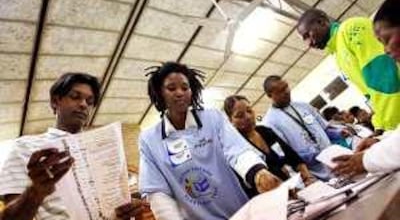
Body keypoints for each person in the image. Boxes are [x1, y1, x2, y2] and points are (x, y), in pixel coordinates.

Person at [138, 62, 281, 220]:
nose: (180, 93)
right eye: (171, 88)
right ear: (160, 92)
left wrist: (258, 173)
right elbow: (158, 192)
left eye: (185, 88)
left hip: (242, 212)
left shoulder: (212, 118)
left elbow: (236, 151)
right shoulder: (149, 140)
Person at [0, 73, 142, 220]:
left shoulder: (103, 151)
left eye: (90, 101)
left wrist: (126, 212)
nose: (83, 104)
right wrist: (36, 191)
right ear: (55, 102)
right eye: (75, 97)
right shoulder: (25, 146)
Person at [297, 8, 400, 131]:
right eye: (305, 39)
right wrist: (380, 124)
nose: (309, 43)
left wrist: (386, 127)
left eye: (308, 35)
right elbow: (370, 93)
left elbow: (385, 80)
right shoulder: (338, 53)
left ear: (321, 22)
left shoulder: (350, 29)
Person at [333, 0, 400, 177]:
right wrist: (380, 140)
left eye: (387, 39)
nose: (385, 50)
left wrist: (365, 160)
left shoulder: (349, 30)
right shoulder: (338, 53)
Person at [224, 95, 316, 197]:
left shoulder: (265, 131)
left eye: (249, 111)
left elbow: (292, 157)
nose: (248, 117)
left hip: (295, 187)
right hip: (273, 198)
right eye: (240, 116)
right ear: (230, 120)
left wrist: (307, 177)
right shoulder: (238, 149)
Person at [261, 75, 348, 181]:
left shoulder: (303, 106)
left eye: (286, 87)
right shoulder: (270, 122)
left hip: (335, 162)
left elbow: (324, 130)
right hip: (316, 174)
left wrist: (339, 133)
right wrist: (313, 156)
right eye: (280, 91)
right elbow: (287, 154)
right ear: (270, 95)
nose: (287, 92)